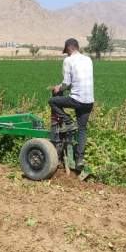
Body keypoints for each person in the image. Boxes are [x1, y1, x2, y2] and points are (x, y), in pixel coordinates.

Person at [48, 38, 94, 170]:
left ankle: (68, 121)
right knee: (82, 129)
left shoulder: (68, 60)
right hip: (89, 101)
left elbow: (67, 83)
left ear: (69, 48)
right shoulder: (88, 59)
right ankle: (79, 159)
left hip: (77, 99)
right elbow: (78, 80)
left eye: (66, 51)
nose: (66, 54)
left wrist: (58, 88)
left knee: (52, 102)